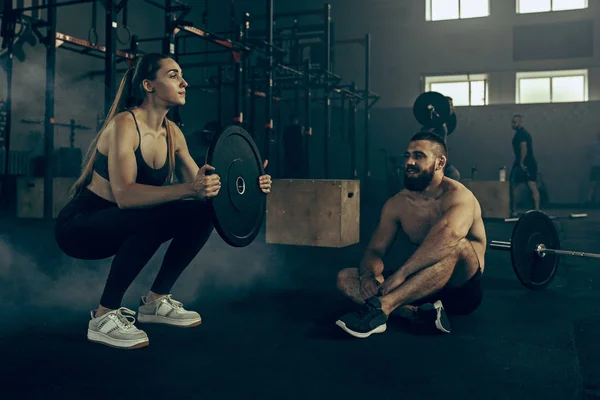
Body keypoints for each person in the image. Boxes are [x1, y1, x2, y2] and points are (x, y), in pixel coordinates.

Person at [54, 53, 272, 350]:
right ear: (149, 85)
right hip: (79, 228)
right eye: (173, 75)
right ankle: (104, 317)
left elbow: (207, 193)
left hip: (125, 223)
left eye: (181, 75)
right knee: (155, 213)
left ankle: (156, 302)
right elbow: (127, 196)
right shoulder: (124, 125)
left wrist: (251, 184)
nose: (184, 82)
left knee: (198, 211)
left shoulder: (173, 134)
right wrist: (189, 190)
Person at [335, 131, 486, 338]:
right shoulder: (397, 203)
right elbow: (375, 250)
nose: (409, 162)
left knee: (458, 245)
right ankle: (415, 314)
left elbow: (449, 235)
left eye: (419, 156)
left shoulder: (460, 197)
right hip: (420, 286)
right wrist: (368, 276)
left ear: (440, 163)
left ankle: (381, 309)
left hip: (460, 289)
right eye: (407, 156)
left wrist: (401, 274)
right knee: (346, 278)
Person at [421, 96, 460, 181]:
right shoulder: (436, 120)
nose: (452, 107)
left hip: (441, 157)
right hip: (432, 157)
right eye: (450, 105)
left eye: (452, 105)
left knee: (453, 176)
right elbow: (424, 132)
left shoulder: (442, 120)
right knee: (453, 175)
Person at [509, 115, 540, 216]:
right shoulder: (520, 134)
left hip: (526, 163)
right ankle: (515, 209)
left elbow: (524, 148)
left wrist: (522, 163)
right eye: (512, 122)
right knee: (516, 184)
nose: (513, 124)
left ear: (520, 123)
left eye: (515, 122)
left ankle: (535, 210)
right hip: (523, 163)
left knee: (531, 185)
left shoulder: (521, 134)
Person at [587, 131, 600, 205]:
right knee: (592, 184)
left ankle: (590, 199)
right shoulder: (593, 145)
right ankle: (589, 199)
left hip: (595, 165)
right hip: (595, 165)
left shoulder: (593, 145)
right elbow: (589, 155)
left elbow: (589, 155)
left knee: (593, 183)